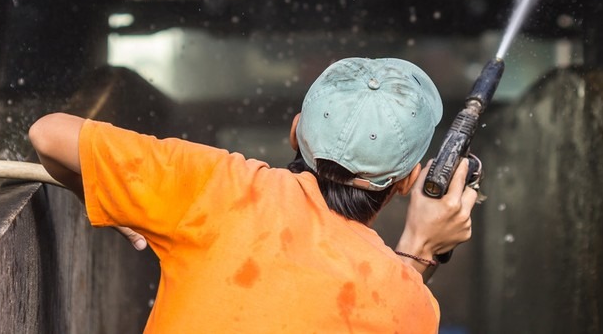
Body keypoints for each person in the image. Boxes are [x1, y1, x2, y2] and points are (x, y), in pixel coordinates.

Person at [29, 57, 480, 333]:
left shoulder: (219, 187)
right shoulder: (411, 304)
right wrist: (421, 247)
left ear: (294, 132)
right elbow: (378, 306)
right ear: (408, 182)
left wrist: (97, 195)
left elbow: (48, 135)